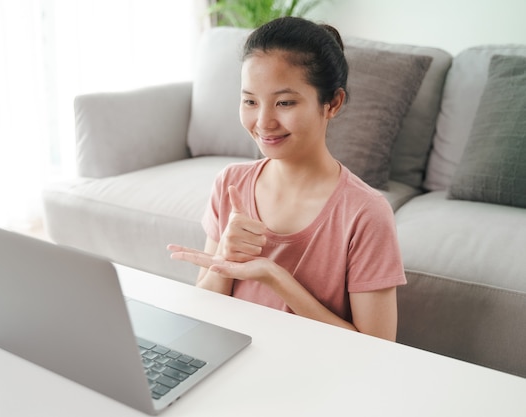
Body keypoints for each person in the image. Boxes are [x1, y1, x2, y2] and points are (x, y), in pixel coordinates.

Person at [167, 17, 406, 341]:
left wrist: (275, 278)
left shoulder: (366, 213)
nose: (263, 122)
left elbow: (378, 347)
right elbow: (206, 306)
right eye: (250, 101)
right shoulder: (231, 184)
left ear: (332, 103)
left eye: (284, 103)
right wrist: (225, 255)